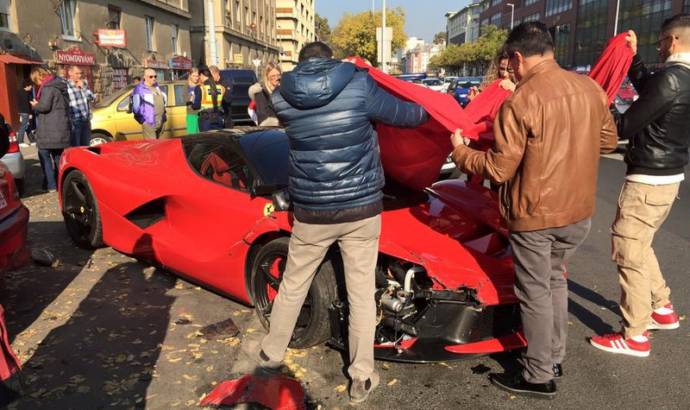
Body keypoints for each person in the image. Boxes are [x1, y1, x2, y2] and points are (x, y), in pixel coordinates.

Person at [450, 23, 617, 399]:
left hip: (535, 214)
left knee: (535, 291)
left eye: (510, 61)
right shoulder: (590, 88)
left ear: (517, 57)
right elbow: (607, 141)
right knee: (555, 281)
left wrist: (460, 151)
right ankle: (553, 355)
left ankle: (539, 373)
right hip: (579, 211)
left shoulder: (520, 101)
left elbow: (497, 169)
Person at [256, 42, 427, 405]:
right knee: (361, 293)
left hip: (312, 210)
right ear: (331, 59)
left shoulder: (284, 97)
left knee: (293, 283)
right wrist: (431, 110)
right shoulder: (359, 85)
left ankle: (270, 355)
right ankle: (361, 378)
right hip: (360, 209)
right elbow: (408, 116)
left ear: (300, 66)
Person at [589, 15, 690, 357]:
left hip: (648, 180)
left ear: (673, 41)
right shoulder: (680, 78)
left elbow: (625, 125)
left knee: (628, 250)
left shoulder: (672, 79)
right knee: (641, 244)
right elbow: (652, 88)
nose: (659, 47)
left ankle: (634, 335)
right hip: (667, 177)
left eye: (661, 42)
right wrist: (631, 58)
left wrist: (594, 104)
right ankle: (661, 308)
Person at [29, 67, 71, 192]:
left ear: (39, 77)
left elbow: (44, 107)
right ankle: (61, 184)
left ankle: (51, 185)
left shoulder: (48, 88)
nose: (37, 83)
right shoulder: (60, 86)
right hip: (61, 130)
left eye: (36, 80)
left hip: (49, 132)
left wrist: (35, 106)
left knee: (44, 157)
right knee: (58, 158)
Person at [131, 68, 167, 139]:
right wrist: (143, 121)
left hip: (160, 122)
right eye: (151, 76)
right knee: (152, 146)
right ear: (145, 77)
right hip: (149, 123)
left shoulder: (156, 87)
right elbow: (135, 108)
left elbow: (162, 102)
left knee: (160, 146)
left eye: (155, 76)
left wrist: (164, 117)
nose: (153, 78)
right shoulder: (139, 89)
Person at [66, 65, 95, 146]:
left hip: (86, 120)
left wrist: (84, 88)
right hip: (75, 121)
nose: (79, 76)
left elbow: (92, 98)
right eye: (77, 73)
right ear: (70, 73)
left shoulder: (84, 83)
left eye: (80, 73)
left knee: (86, 147)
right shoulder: (66, 86)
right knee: (76, 148)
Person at [198, 67, 226, 131]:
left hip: (206, 117)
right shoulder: (221, 87)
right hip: (218, 116)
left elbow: (196, 106)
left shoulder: (202, 88)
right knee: (217, 138)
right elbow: (225, 100)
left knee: (206, 138)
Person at [253, 62, 281, 126]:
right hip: (269, 130)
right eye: (273, 76)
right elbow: (262, 116)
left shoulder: (283, 91)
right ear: (267, 76)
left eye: (278, 75)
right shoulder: (261, 93)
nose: (276, 78)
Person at [16, 79, 35, 146]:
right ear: (26, 86)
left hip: (21, 111)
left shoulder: (20, 91)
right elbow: (26, 104)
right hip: (25, 112)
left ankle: (32, 140)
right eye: (30, 86)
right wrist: (30, 113)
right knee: (23, 126)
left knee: (27, 126)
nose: (31, 87)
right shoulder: (24, 93)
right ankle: (20, 141)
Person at [184, 68, 202, 134]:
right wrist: (192, 98)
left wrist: (192, 98)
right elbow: (185, 99)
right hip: (191, 113)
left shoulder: (201, 86)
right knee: (192, 135)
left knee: (201, 136)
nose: (196, 78)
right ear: (190, 75)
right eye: (194, 76)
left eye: (197, 76)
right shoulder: (186, 86)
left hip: (201, 114)